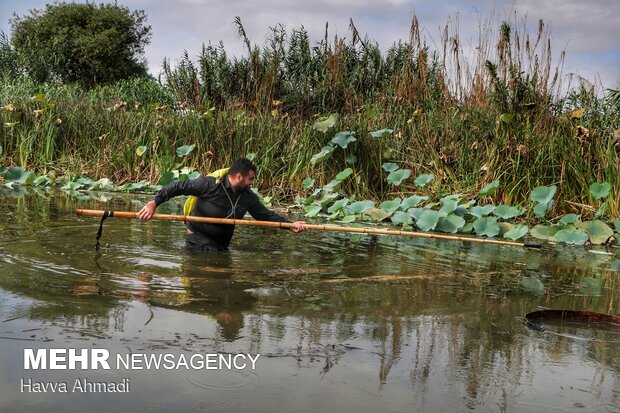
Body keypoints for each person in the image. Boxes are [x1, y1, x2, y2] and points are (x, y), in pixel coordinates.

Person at [138, 157, 306, 251]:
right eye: (251, 178)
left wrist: (290, 225)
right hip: (197, 239)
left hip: (221, 245)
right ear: (239, 177)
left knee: (221, 260)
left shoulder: (248, 197)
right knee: (214, 261)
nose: (252, 183)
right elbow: (178, 186)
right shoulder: (209, 184)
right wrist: (154, 202)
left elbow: (265, 215)